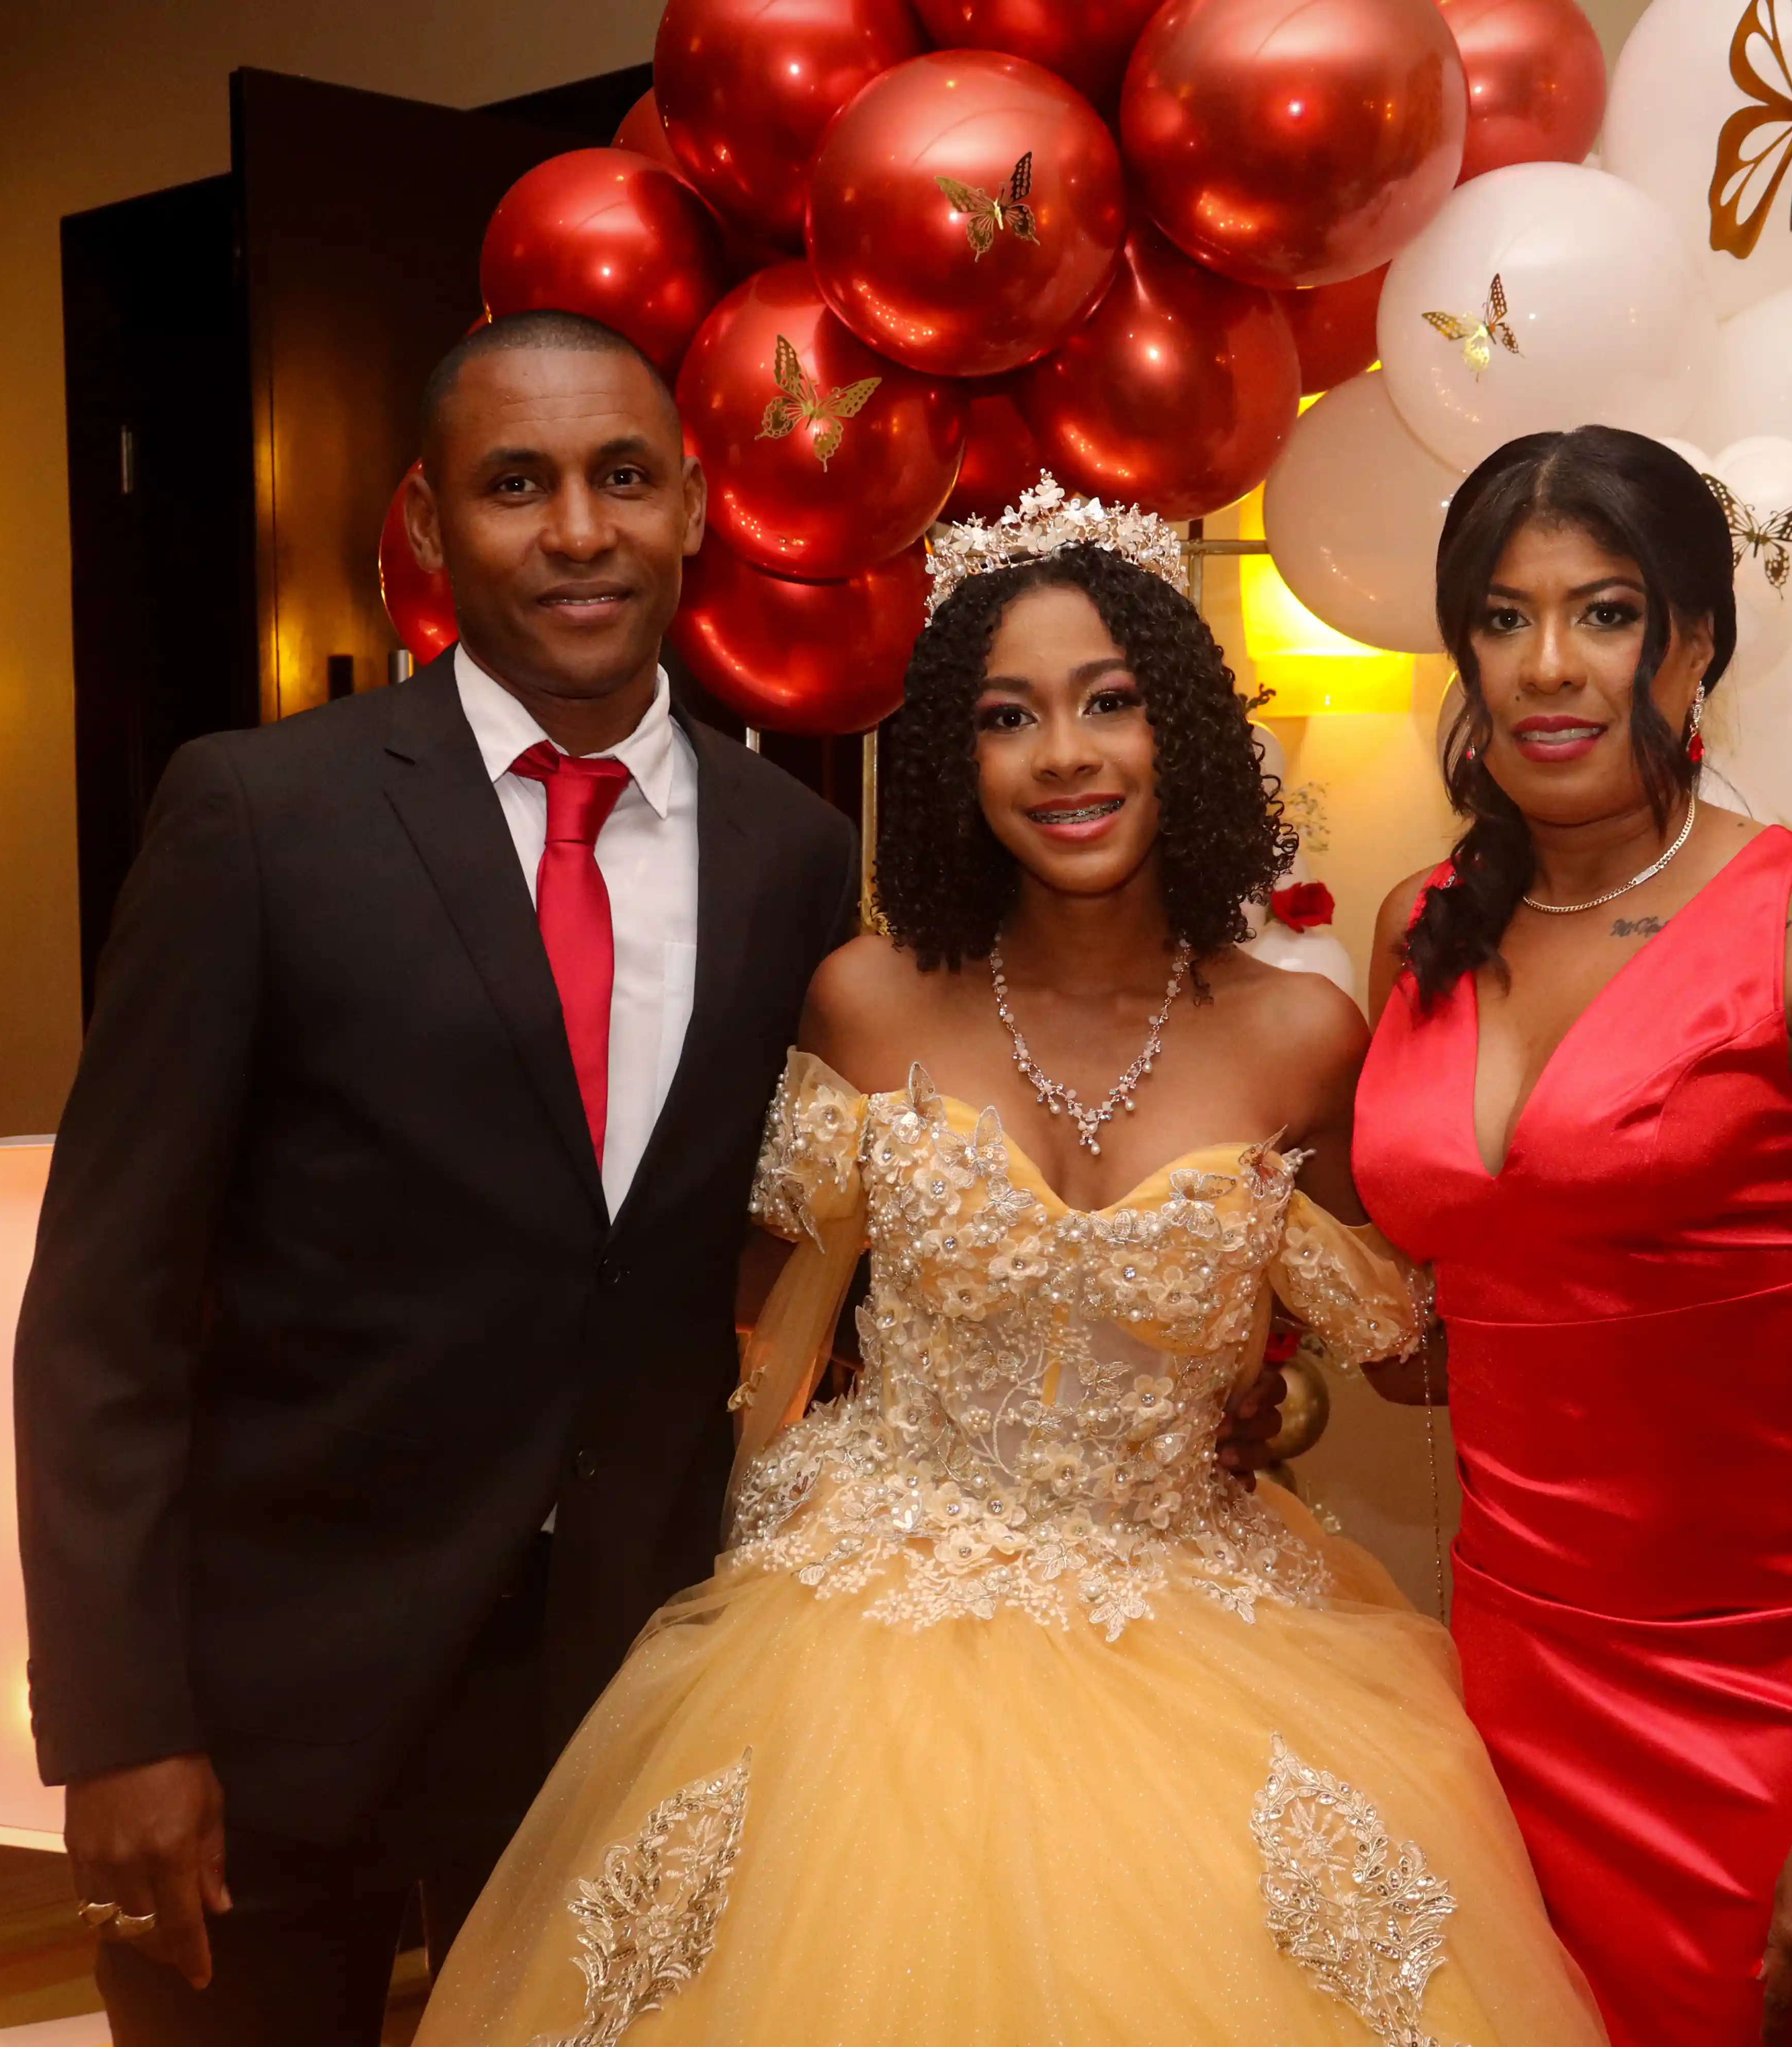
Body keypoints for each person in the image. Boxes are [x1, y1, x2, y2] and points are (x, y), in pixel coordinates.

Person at [413, 481, 1606, 2046]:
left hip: (1211, 1630)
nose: (1064, 755)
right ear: (951, 762)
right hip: (863, 1643)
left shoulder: (1303, 1035)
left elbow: (1407, 1347)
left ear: (1181, 730)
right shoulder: (866, 1003)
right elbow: (755, 1306)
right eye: (1007, 716)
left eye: (1110, 702)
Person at [13, 309, 862, 2044]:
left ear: (696, 505)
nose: (579, 532)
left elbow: (779, 1248)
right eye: (517, 484)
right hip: (271, 1699)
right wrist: (118, 1723)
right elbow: (104, 1307)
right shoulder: (260, 816)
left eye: (623, 478)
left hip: (620, 1689)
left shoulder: (793, 853)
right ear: (426, 519)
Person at [1349, 426, 1792, 2047]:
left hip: (1781, 1692)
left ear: (1696, 644)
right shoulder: (1419, 930)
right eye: (1504, 618)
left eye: (1607, 613)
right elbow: (1468, 1296)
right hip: (1510, 1673)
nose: (1549, 666)